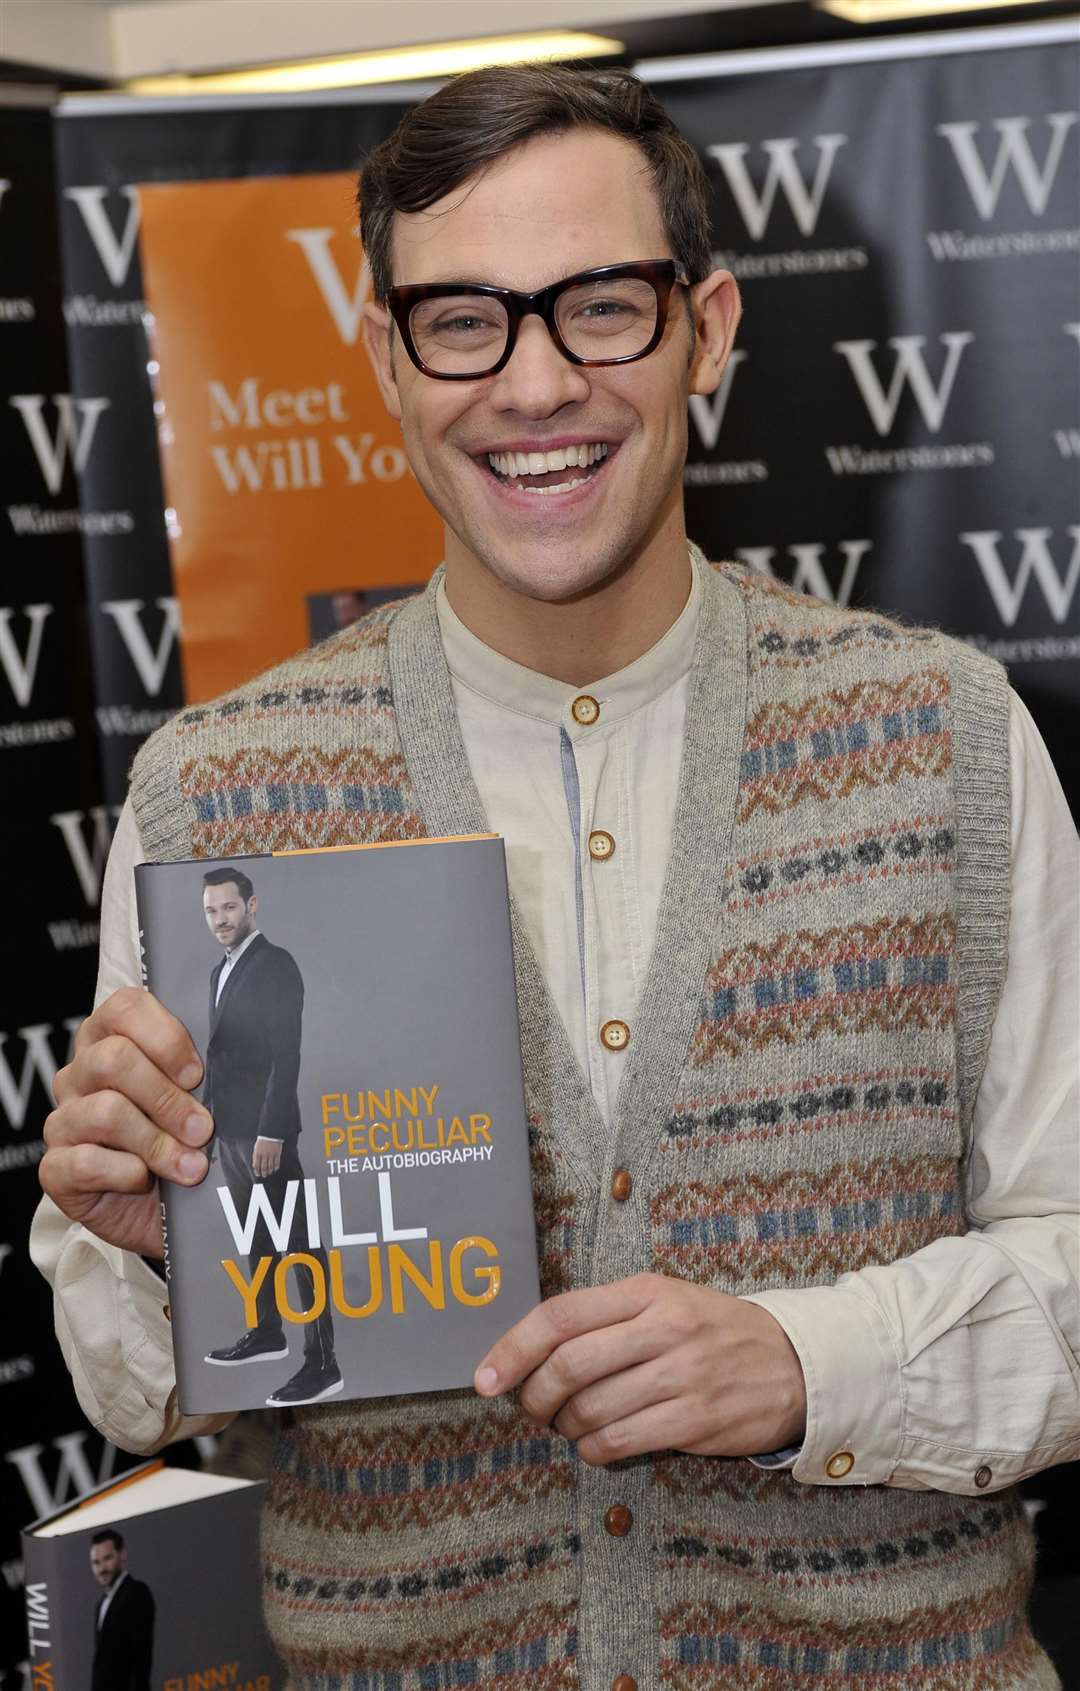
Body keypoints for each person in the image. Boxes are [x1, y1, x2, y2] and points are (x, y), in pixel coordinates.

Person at [32, 62, 1078, 1691]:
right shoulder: (212, 797)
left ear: (710, 328)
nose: (534, 385)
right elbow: (147, 1393)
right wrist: (146, 1241)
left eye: (602, 306)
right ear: (385, 356)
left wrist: (807, 1361)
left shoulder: (943, 740)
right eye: (464, 319)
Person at [197, 866, 340, 1405]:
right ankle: (266, 1331)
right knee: (256, 1235)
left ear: (252, 906)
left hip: (264, 1132)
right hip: (229, 1129)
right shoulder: (219, 972)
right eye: (211, 911)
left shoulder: (275, 964)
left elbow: (287, 1052)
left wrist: (272, 1131)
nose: (220, 920)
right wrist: (209, 1122)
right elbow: (222, 1055)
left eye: (229, 908)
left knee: (298, 1240)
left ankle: (323, 1361)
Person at [89, 1528, 154, 1691]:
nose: (102, 1568)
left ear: (122, 1554)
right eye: (96, 1563)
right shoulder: (101, 1604)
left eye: (107, 1558)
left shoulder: (136, 1592)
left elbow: (141, 1659)